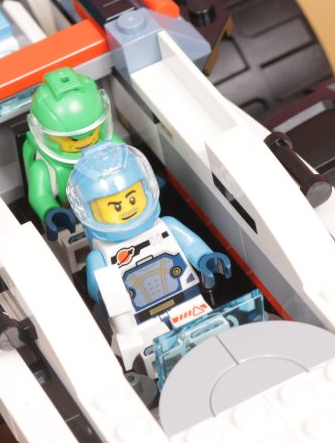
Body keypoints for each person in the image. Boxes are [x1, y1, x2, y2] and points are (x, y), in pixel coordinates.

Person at [66, 141, 231, 324]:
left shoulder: (168, 225)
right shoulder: (99, 256)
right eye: (116, 207)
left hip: (189, 300)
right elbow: (95, 287)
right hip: (135, 318)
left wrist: (206, 259)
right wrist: (104, 297)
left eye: (132, 199)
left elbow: (192, 245)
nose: (127, 209)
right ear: (90, 211)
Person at [22, 67, 121, 239]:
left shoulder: (113, 144)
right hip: (74, 217)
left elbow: (132, 162)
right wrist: (51, 212)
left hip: (119, 203)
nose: (85, 141)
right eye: (72, 139)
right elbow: (40, 195)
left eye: (92, 132)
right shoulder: (45, 167)